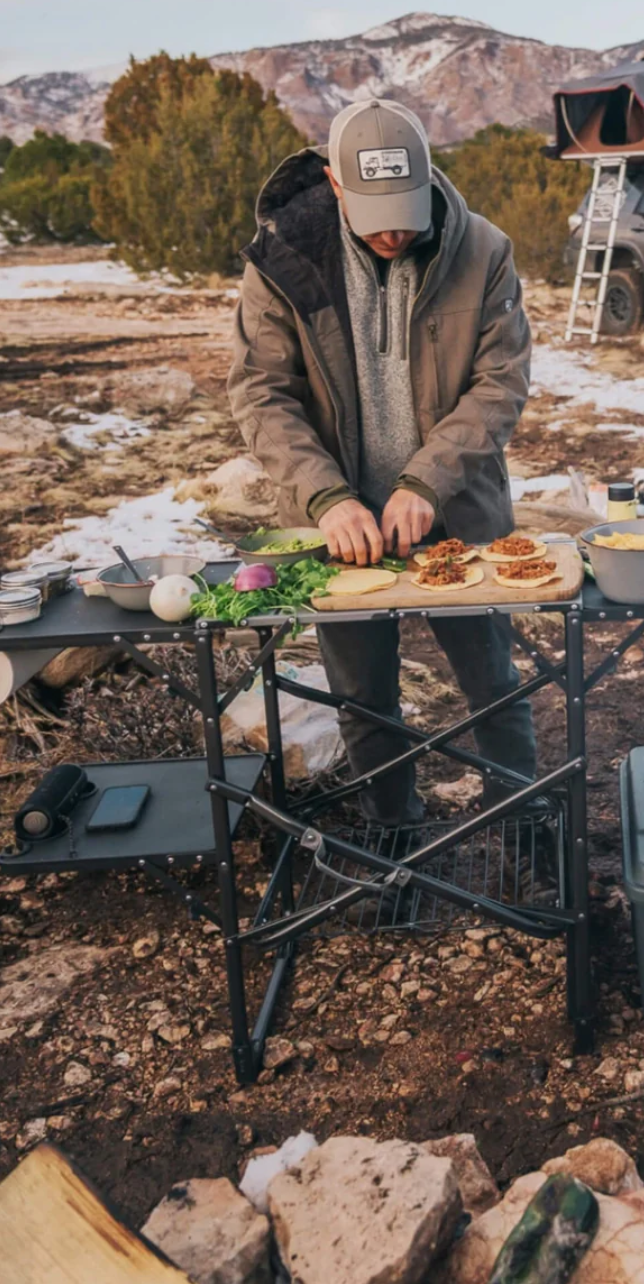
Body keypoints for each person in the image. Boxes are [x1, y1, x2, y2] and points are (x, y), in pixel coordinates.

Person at [227, 98, 535, 824]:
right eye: (375, 213)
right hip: (339, 527)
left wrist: (427, 479)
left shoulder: (483, 251)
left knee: (493, 680)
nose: (395, 229)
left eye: (406, 207)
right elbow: (261, 393)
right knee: (363, 695)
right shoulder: (281, 260)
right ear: (336, 185)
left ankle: (524, 824)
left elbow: (500, 383)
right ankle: (396, 833)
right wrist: (327, 496)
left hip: (458, 507)